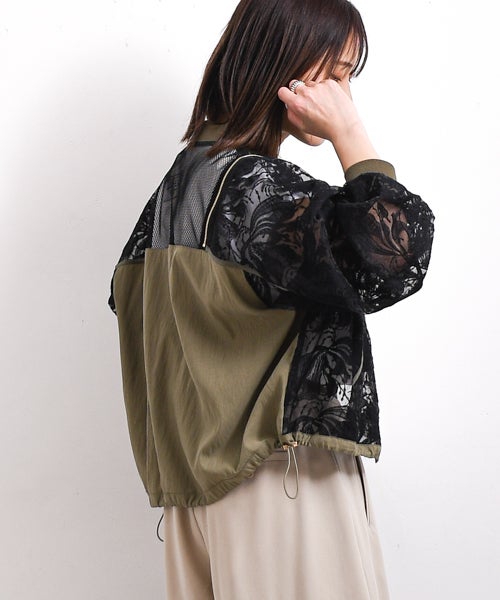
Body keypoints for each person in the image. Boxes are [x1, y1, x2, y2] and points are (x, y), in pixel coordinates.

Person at [109, 0, 434, 598]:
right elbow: (395, 254)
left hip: (193, 501)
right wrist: (352, 137)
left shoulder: (171, 195)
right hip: (281, 484)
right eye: (336, 73)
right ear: (286, 59)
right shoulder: (255, 189)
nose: (344, 94)